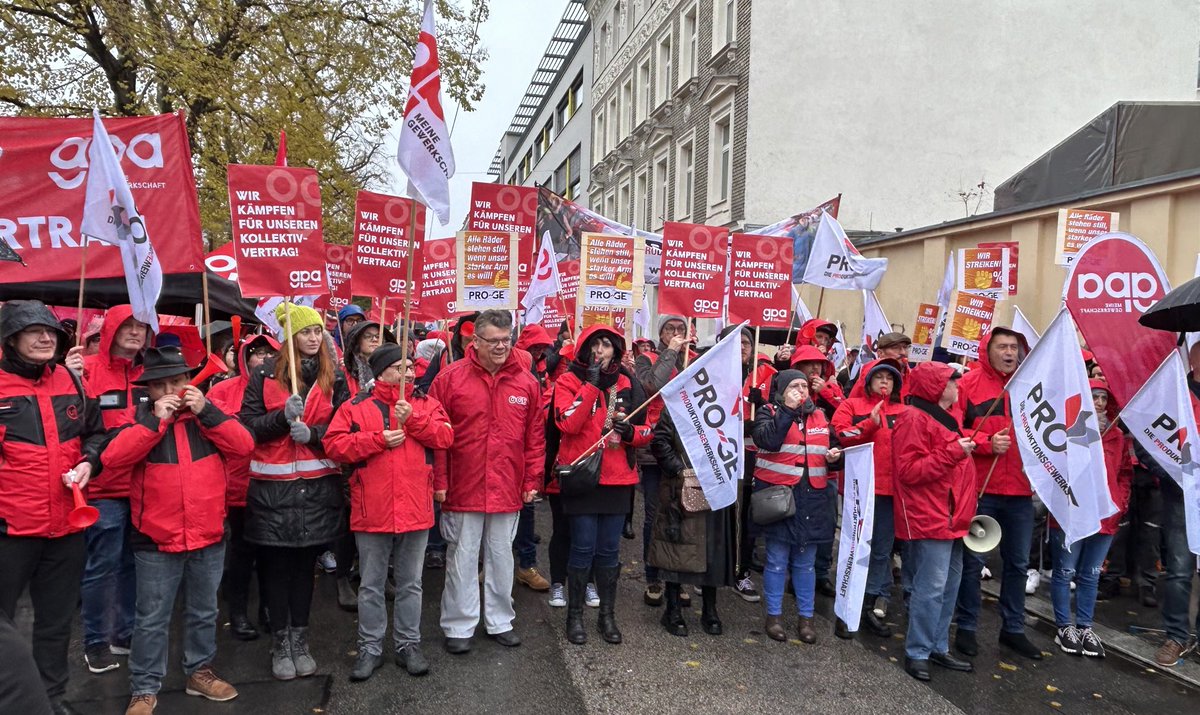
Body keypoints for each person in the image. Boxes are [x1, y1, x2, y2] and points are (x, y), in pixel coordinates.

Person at [103, 346, 252, 714]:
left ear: (190, 381)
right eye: (161, 385)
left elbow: (244, 445)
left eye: (178, 381)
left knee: (203, 611)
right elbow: (112, 459)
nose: (171, 389)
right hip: (156, 538)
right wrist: (154, 422)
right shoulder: (138, 418)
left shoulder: (208, 417)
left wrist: (210, 411)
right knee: (152, 617)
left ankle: (199, 672)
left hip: (209, 532)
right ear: (148, 390)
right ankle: (144, 687)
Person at [0, 301, 107, 714]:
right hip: (10, 529)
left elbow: (96, 434)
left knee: (56, 624)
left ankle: (50, 700)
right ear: (11, 339)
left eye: (51, 333)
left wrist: (88, 463)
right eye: (34, 332)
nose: (46, 338)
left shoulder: (70, 379)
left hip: (67, 526)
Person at [325, 344, 454, 681]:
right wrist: (377, 439)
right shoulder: (355, 407)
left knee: (411, 583)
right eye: (400, 367)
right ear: (381, 372)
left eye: (410, 366)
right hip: (373, 508)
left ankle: (408, 644)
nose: (408, 373)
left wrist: (414, 419)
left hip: (415, 506)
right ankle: (370, 647)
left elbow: (445, 437)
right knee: (371, 584)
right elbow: (334, 445)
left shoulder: (426, 404)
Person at [240, 302, 349, 681]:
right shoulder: (265, 375)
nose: (314, 338)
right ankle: (281, 642)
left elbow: (345, 424)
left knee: (305, 568)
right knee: (276, 569)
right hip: (273, 494)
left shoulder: (334, 376)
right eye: (306, 332)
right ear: (290, 337)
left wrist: (315, 434)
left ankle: (301, 640)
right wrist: (280, 419)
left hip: (317, 490)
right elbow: (248, 427)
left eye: (318, 331)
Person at [428, 310, 545, 654]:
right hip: (463, 486)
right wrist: (441, 481)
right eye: (492, 341)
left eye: (506, 340)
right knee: (462, 557)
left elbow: (534, 438)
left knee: (501, 556)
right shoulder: (449, 380)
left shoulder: (526, 383)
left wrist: (532, 479)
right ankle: (459, 625)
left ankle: (499, 620)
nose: (500, 347)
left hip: (507, 485)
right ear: (474, 341)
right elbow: (437, 438)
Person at [552, 326, 652, 645]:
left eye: (607, 344)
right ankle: (575, 616)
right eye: (595, 344)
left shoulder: (628, 382)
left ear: (616, 351)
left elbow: (648, 429)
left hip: (617, 478)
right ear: (583, 349)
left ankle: (607, 616)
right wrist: (592, 386)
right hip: (583, 476)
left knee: (609, 552)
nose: (600, 350)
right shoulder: (568, 380)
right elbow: (567, 423)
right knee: (582, 547)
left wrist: (630, 433)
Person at [951, 328, 1042, 661]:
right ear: (986, 350)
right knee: (973, 563)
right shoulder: (967, 386)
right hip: (981, 489)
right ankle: (967, 627)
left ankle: (1013, 630)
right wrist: (987, 445)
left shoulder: (1029, 387)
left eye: (1014, 347)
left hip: (1019, 492)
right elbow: (952, 430)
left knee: (1017, 564)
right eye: (1002, 346)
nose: (1009, 352)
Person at [77, 304, 152, 675]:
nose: (135, 332)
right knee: (101, 566)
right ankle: (95, 641)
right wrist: (66, 374)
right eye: (128, 326)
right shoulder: (85, 371)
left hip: (142, 486)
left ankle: (124, 633)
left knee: (130, 565)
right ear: (110, 330)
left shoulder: (149, 375)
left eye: (141, 326)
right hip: (104, 487)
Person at [892, 362, 977, 682]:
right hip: (931, 516)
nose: (959, 387)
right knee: (931, 588)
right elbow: (910, 472)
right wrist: (953, 452)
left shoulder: (943, 417)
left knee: (947, 586)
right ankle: (918, 651)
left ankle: (937, 646)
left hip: (951, 516)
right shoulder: (913, 418)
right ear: (938, 386)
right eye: (953, 381)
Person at [753, 369, 842, 643]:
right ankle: (774, 617)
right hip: (780, 499)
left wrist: (835, 457)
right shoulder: (767, 411)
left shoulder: (821, 416)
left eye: (804, 386)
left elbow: (835, 452)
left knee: (806, 564)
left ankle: (806, 619)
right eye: (794, 386)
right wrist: (788, 411)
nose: (801, 391)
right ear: (781, 390)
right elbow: (767, 440)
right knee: (777, 561)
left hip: (812, 501)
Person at [1047, 380, 1129, 659]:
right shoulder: (1067, 430)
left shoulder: (1117, 436)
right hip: (1072, 514)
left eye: (1104, 398)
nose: (1100, 403)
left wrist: (1119, 502)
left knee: (1091, 575)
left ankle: (1084, 625)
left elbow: (1124, 473)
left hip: (1105, 517)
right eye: (1093, 396)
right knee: (1065, 571)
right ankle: (1063, 626)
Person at [207, 334, 280, 641]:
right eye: (256, 353)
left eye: (269, 352)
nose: (263, 358)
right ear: (244, 357)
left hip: (272, 482)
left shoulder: (281, 387)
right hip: (236, 487)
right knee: (240, 554)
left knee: (270, 553)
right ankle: (237, 612)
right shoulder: (222, 391)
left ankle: (268, 608)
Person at [831, 358, 906, 637]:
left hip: (890, 493)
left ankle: (872, 604)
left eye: (890, 377)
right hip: (860, 490)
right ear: (868, 379)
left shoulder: (904, 409)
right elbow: (841, 434)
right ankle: (845, 605)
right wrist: (869, 425)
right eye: (879, 376)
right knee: (854, 547)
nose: (884, 381)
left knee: (882, 550)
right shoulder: (852, 406)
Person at [648, 408, 736, 638]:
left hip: (715, 486)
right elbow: (660, 442)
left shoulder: (722, 406)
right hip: (681, 486)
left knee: (711, 549)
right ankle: (673, 609)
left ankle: (710, 609)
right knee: (677, 547)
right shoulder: (676, 403)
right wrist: (679, 470)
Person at [633, 314, 694, 608]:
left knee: (683, 514)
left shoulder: (694, 359)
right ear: (661, 333)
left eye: (681, 329)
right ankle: (653, 577)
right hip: (654, 447)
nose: (676, 332)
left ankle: (677, 579)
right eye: (670, 328)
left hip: (685, 448)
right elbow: (651, 387)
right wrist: (670, 352)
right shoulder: (647, 358)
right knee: (655, 515)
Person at [1146, 341, 1200, 667]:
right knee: (1179, 569)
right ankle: (1176, 636)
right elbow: (1148, 440)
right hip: (1180, 495)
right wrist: (1167, 473)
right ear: (1193, 359)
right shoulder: (1174, 396)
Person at [789, 345, 844, 596]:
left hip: (825, 473)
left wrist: (829, 393)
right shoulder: (788, 394)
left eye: (819, 364)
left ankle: (821, 573)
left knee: (825, 524)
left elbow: (845, 420)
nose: (814, 369)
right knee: (793, 523)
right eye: (808, 364)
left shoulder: (832, 392)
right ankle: (794, 572)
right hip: (795, 472)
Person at [512, 324, 555, 594]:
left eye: (543, 347)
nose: (540, 351)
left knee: (526, 512)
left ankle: (526, 566)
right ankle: (487, 567)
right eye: (535, 346)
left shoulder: (541, 368)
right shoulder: (515, 363)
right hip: (501, 452)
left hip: (527, 448)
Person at [735, 326, 773, 603]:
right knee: (720, 517)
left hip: (751, 458)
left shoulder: (763, 376)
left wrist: (762, 406)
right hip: (722, 456)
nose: (742, 346)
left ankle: (741, 571)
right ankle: (714, 568)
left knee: (747, 519)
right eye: (737, 342)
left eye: (747, 341)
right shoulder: (713, 374)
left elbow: (777, 412)